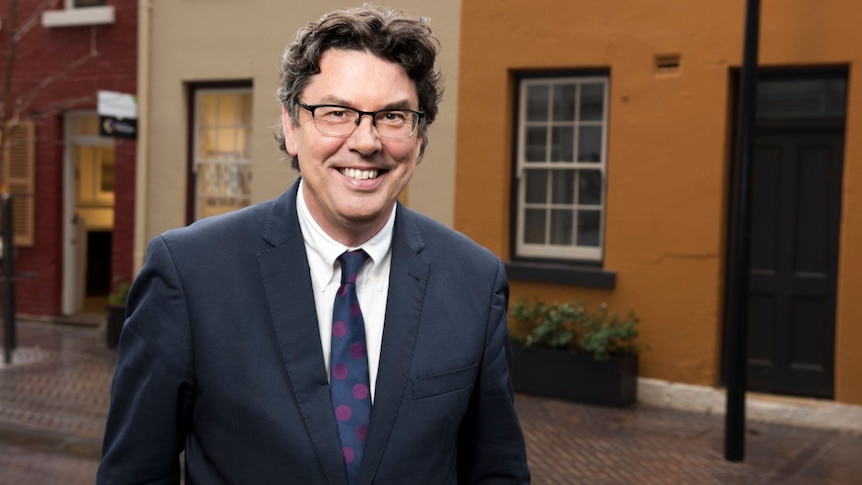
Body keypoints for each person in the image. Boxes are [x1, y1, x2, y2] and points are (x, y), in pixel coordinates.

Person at [97, 5, 530, 484]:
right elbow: (133, 474)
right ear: (291, 126)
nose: (366, 141)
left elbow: (497, 472)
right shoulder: (190, 274)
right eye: (337, 112)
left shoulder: (473, 280)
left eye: (392, 116)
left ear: (420, 137)